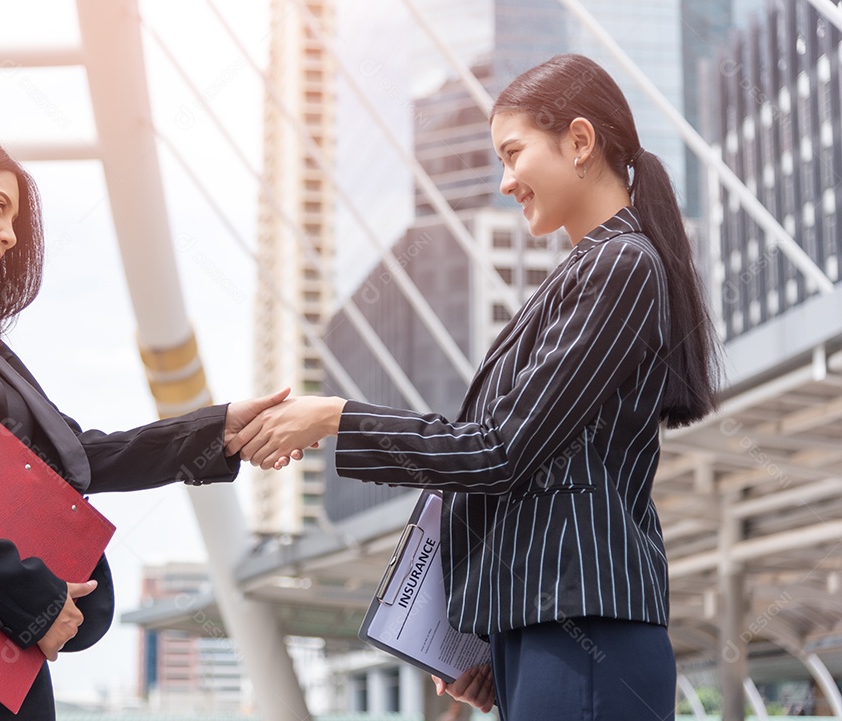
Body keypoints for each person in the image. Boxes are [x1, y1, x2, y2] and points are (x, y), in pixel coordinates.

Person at [229, 54, 720, 721]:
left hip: (587, 632)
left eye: (513, 154)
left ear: (579, 142)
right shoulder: (585, 274)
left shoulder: (621, 266)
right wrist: (494, 628)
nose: (504, 180)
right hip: (552, 627)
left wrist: (337, 419)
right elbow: (530, 473)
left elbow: (499, 451)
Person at [0, 124, 288, 720]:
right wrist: (32, 598)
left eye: (15, 218)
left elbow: (75, 455)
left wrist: (216, 430)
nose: (9, 234)